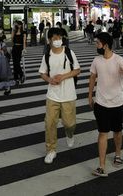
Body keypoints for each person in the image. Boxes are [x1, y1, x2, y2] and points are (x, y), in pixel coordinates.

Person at [88, 32, 123, 177]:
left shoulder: (119, 60)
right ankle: (101, 166)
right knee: (102, 133)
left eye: (98, 43)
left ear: (105, 45)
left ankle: (118, 153)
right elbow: (92, 78)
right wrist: (90, 95)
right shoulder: (96, 60)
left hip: (117, 103)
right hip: (101, 103)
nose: (96, 45)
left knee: (117, 131)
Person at [39, 27, 80, 164]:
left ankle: (69, 133)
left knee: (69, 123)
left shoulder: (69, 52)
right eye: (55, 38)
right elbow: (42, 73)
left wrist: (63, 77)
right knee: (49, 123)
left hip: (68, 94)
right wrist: (50, 80)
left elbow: (77, 70)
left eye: (59, 38)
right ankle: (51, 150)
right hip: (52, 95)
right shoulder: (47, 55)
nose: (58, 41)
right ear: (49, 40)